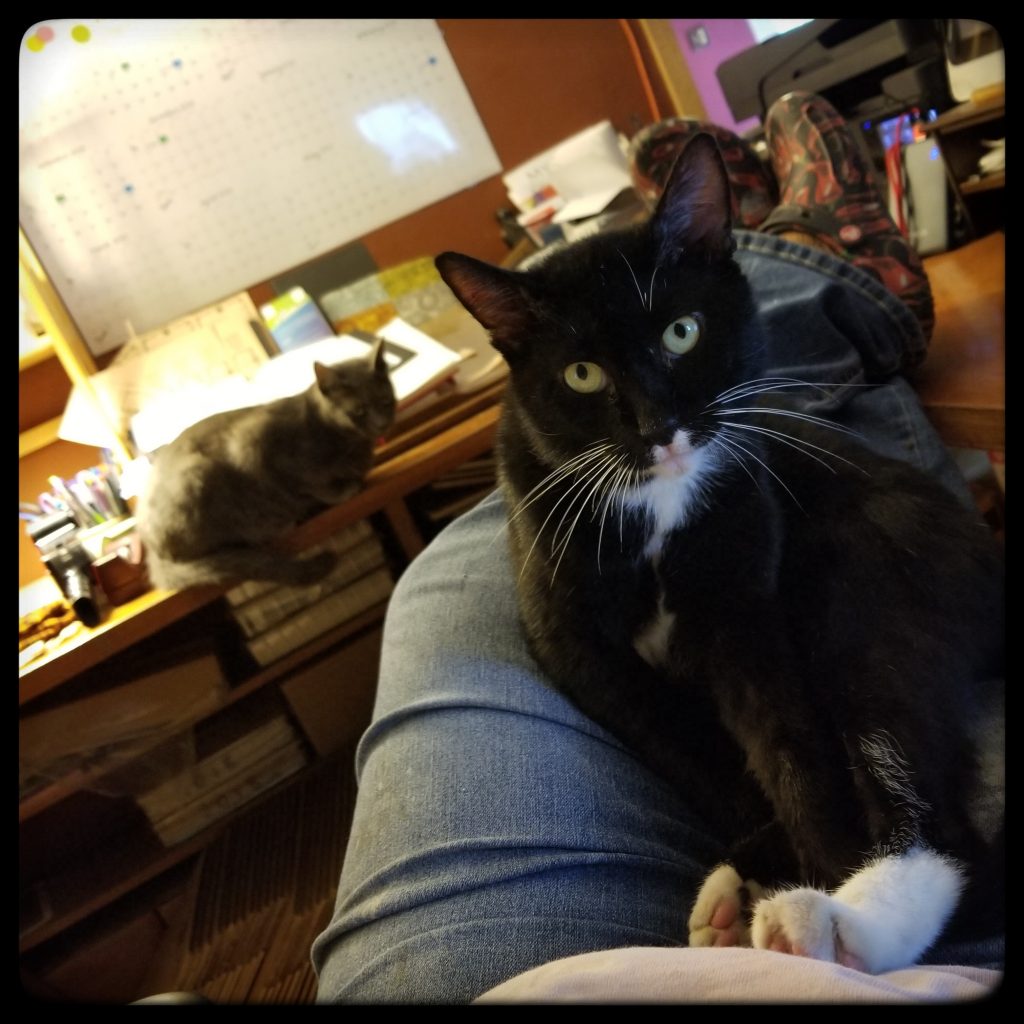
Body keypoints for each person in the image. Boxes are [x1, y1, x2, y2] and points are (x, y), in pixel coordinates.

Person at [310, 92, 1003, 1003]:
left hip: (756, 433)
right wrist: (771, 825)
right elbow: (605, 657)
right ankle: (820, 249)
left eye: (678, 337)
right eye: (585, 374)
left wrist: (805, 835)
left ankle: (802, 251)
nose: (656, 423)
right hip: (631, 455)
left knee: (787, 389)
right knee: (810, 366)